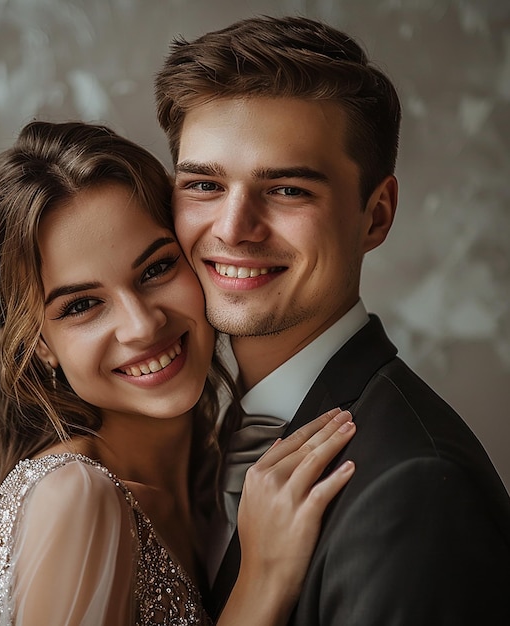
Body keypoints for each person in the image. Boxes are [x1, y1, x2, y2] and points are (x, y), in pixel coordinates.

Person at [0, 120, 358, 626]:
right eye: (82, 306)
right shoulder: (75, 498)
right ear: (40, 346)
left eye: (156, 269)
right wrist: (263, 582)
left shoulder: (218, 478)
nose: (142, 326)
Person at [154, 14, 510, 625]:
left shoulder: (415, 491)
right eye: (205, 185)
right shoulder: (195, 440)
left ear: (376, 216)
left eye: (288, 190)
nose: (234, 229)